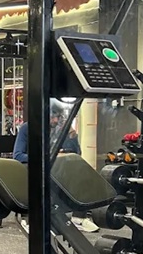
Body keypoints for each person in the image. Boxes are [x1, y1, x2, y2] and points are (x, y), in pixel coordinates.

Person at [12, 98, 99, 232]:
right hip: (33, 167)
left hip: (55, 167)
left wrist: (72, 137)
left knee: (82, 174)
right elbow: (18, 155)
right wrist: (44, 158)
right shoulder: (27, 128)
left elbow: (76, 153)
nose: (56, 121)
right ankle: (30, 219)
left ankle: (78, 217)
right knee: (42, 177)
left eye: (58, 117)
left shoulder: (58, 130)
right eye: (54, 117)